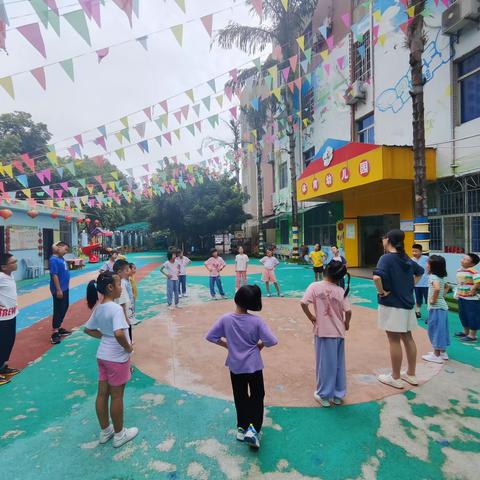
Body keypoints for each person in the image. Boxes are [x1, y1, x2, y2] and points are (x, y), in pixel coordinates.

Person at [205, 285, 278, 450]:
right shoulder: (257, 321)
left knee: (240, 395)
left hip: (235, 365)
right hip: (253, 365)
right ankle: (253, 430)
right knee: (257, 395)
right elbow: (272, 341)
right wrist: (259, 346)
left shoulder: (226, 319)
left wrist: (227, 346)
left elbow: (211, 336)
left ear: (236, 298)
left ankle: (241, 427)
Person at [84, 271, 138, 449]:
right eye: (118, 284)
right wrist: (128, 347)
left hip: (103, 356)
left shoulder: (99, 307)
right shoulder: (116, 309)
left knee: (102, 394)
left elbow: (88, 329)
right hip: (117, 358)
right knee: (117, 397)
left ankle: (105, 431)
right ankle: (120, 434)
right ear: (110, 287)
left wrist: (105, 337)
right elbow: (119, 333)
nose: (121, 287)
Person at [373, 229, 424, 389]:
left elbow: (376, 277)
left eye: (383, 238)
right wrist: (409, 285)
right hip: (407, 303)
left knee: (393, 340)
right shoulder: (405, 257)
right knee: (407, 337)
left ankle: (395, 377)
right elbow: (420, 272)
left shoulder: (386, 258)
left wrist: (382, 292)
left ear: (388, 240)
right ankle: (411, 374)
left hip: (392, 304)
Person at [301, 262, 352, 407]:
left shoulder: (315, 286)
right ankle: (338, 394)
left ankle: (323, 395)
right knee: (338, 364)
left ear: (326, 271)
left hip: (323, 332)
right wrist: (346, 323)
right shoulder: (340, 290)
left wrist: (311, 316)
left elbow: (303, 303)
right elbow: (348, 311)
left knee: (324, 364)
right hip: (338, 332)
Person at [422, 255, 450, 364]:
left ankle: (436, 355)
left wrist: (433, 299)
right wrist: (441, 296)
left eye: (428, 264)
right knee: (442, 328)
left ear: (433, 267)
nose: (426, 265)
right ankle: (443, 352)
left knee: (435, 330)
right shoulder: (441, 277)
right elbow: (446, 287)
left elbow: (437, 288)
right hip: (442, 307)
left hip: (436, 308)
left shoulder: (433, 277)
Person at [0, 253, 20, 386]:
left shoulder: (10, 275)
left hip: (11, 314)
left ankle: (3, 367)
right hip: (2, 318)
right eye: (13, 262)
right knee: (1, 344)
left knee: (9, 341)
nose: (15, 264)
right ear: (3, 266)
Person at [454, 253, 480, 343]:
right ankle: (465, 332)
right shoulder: (459, 270)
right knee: (463, 315)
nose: (463, 260)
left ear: (472, 264)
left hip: (471, 299)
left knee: (472, 316)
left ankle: (472, 335)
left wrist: (473, 288)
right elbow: (459, 284)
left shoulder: (473, 271)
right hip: (461, 297)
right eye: (463, 258)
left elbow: (478, 280)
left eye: (466, 259)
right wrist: (457, 292)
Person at [49, 241, 72, 345]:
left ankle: (58, 326)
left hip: (65, 288)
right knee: (58, 308)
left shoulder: (60, 258)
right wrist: (58, 289)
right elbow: (54, 275)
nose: (66, 252)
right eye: (65, 249)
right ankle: (55, 332)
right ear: (58, 248)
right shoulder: (53, 259)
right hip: (59, 289)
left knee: (65, 306)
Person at [113, 260, 134, 339]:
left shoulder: (120, 282)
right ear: (119, 272)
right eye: (127, 270)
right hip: (124, 318)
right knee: (127, 337)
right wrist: (126, 319)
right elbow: (122, 303)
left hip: (125, 316)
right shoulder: (120, 284)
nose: (129, 271)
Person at [411, 244, 429, 320]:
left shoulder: (427, 259)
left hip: (426, 284)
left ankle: (430, 315)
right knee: (418, 299)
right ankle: (417, 312)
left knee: (428, 300)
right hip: (416, 283)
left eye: (416, 251)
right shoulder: (411, 260)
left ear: (421, 252)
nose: (414, 253)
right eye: (413, 251)